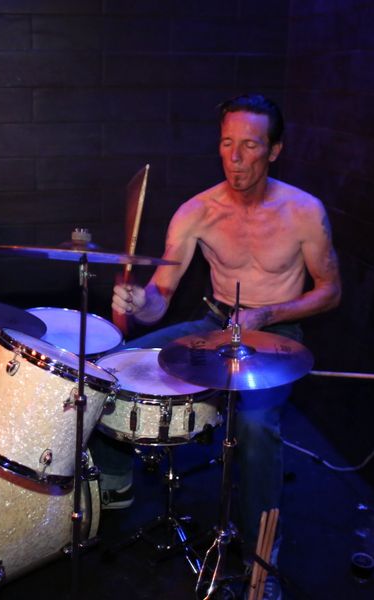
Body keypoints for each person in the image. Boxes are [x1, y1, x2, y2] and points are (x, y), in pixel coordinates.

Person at [90, 94, 342, 570]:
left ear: (275, 150)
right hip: (214, 323)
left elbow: (330, 291)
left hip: (277, 334)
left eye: (250, 145)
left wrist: (268, 314)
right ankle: (116, 480)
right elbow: (161, 295)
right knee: (111, 368)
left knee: (254, 424)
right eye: (227, 143)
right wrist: (142, 302)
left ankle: (261, 550)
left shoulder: (304, 211)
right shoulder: (197, 211)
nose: (236, 157)